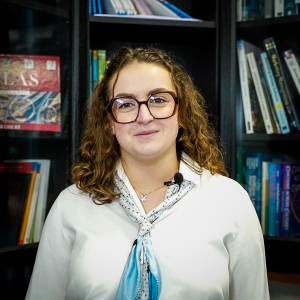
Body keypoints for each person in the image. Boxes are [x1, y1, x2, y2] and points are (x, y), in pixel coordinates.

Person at [26, 46, 270, 300]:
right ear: (109, 121)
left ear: (181, 111)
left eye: (158, 100)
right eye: (125, 104)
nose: (144, 116)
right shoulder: (71, 205)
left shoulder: (230, 201)